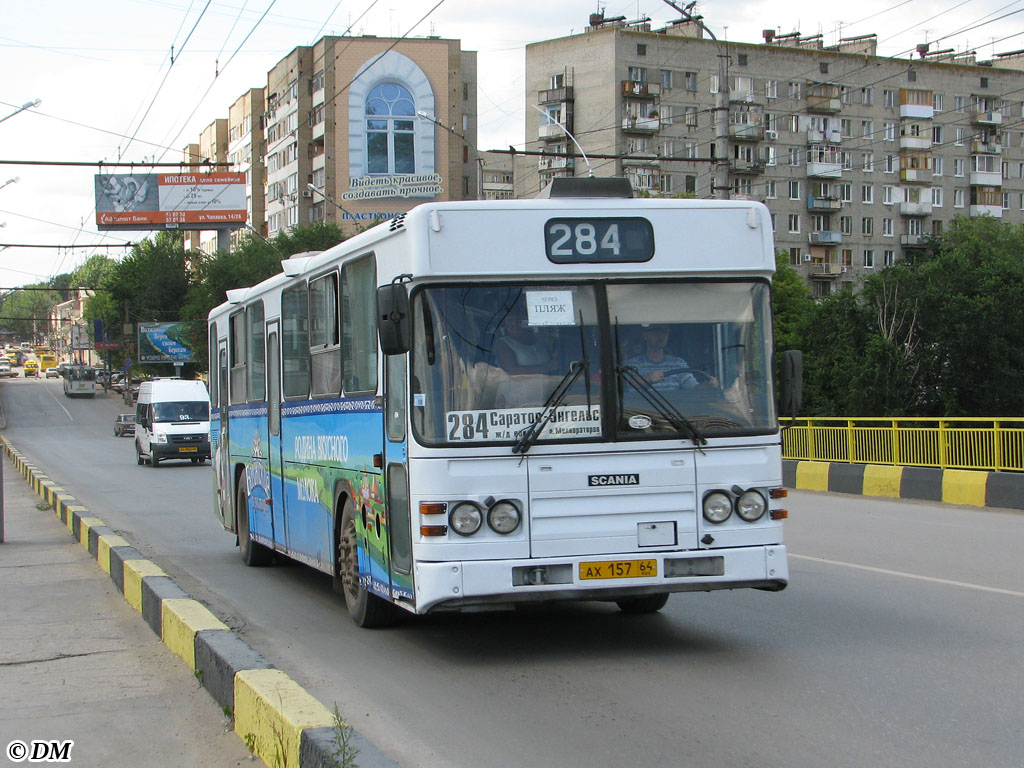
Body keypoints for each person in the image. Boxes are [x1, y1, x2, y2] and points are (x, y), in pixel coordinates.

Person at [626, 324, 717, 391]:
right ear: (645, 335)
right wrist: (649, 378)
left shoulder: (677, 363)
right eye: (656, 330)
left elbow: (692, 388)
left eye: (665, 331)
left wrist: (708, 386)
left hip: (673, 414)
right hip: (639, 413)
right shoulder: (634, 364)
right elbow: (628, 383)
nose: (661, 335)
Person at [495, 306, 553, 374]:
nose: (515, 324)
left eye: (518, 320)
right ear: (504, 323)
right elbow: (511, 370)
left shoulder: (540, 338)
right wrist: (547, 367)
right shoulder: (502, 343)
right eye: (510, 321)